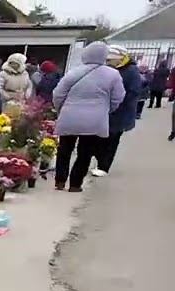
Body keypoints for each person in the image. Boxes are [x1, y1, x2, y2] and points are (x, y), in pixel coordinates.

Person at [51, 41, 124, 191]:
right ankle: (75, 184)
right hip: (95, 120)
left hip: (70, 116)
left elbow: (58, 94)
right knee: (85, 153)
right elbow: (118, 97)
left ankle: (60, 181)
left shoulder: (74, 72)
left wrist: (61, 110)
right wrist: (106, 110)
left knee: (64, 150)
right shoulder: (113, 74)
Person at [94, 46, 142, 177]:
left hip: (121, 112)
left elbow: (134, 92)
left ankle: (104, 167)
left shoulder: (131, 71)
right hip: (107, 110)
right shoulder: (112, 69)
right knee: (101, 139)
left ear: (119, 58)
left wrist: (118, 100)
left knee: (112, 140)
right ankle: (100, 161)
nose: (108, 62)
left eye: (110, 60)